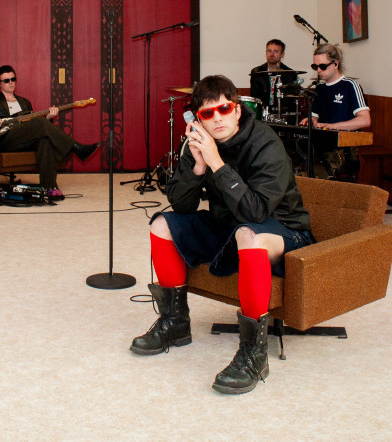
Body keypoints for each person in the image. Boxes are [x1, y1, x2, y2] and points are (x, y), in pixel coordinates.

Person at [129, 75, 311, 395]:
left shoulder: (266, 143)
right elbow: (181, 205)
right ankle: (175, 322)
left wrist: (216, 162)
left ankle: (254, 354)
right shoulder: (200, 143)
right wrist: (198, 167)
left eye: (224, 109)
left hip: (283, 230)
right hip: (230, 227)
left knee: (249, 235)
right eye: (207, 113)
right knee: (162, 224)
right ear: (199, 118)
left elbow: (256, 213)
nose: (217, 119)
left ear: (237, 110)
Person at [0, 65, 98, 199]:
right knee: (39, 122)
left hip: (23, 139)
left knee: (45, 140)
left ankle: (50, 188)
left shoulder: (24, 102)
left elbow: (34, 127)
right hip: (5, 139)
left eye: (13, 79)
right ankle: (75, 147)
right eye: (6, 80)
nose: (11, 83)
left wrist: (48, 118)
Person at [300, 43, 371, 131]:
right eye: (315, 66)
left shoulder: (350, 85)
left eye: (322, 66)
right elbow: (314, 117)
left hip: (343, 138)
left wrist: (330, 126)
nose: (318, 70)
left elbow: (365, 120)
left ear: (336, 64)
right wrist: (310, 121)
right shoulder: (319, 88)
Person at [248, 38, 295, 116]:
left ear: (282, 54)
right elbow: (255, 97)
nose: (272, 54)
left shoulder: (290, 74)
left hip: (283, 114)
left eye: (276, 51)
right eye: (269, 51)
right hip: (262, 113)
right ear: (266, 52)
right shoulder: (257, 72)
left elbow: (290, 100)